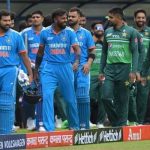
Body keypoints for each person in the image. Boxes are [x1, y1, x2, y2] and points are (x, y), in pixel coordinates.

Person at [34, 8, 80, 131]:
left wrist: (76, 61)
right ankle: (49, 128)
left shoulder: (70, 32)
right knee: (47, 96)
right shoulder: (45, 33)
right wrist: (36, 69)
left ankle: (74, 126)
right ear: (55, 19)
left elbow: (77, 50)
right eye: (63, 18)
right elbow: (40, 52)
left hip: (65, 66)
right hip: (49, 67)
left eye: (66, 18)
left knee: (70, 99)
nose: (66, 20)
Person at [99, 8, 138, 126]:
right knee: (105, 97)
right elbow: (104, 52)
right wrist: (101, 70)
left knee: (123, 98)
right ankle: (116, 121)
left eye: (111, 17)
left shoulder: (131, 31)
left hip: (125, 69)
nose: (109, 20)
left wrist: (134, 71)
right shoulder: (108, 32)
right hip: (110, 69)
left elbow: (135, 52)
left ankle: (121, 125)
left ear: (119, 18)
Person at [0, 10, 33, 134]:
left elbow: (24, 56)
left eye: (9, 20)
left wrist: (30, 73)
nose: (8, 23)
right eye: (5, 20)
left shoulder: (16, 35)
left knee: (6, 101)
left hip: (10, 70)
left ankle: (6, 131)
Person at [68, 7, 95, 129]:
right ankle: (73, 125)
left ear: (79, 18)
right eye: (69, 16)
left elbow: (92, 51)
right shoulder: (64, 32)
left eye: (73, 16)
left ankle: (84, 125)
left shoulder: (86, 33)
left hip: (82, 68)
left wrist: (88, 63)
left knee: (83, 96)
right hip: (67, 69)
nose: (70, 18)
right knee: (70, 98)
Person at [21, 10, 45, 131]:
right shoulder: (24, 33)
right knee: (29, 96)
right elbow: (22, 52)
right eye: (33, 17)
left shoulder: (47, 32)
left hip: (45, 69)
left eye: (37, 17)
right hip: (29, 70)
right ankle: (30, 119)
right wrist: (28, 67)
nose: (35, 19)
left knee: (42, 96)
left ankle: (40, 122)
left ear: (42, 19)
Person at [134, 9, 150, 125]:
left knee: (143, 97)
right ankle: (132, 120)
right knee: (130, 96)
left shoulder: (149, 32)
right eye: (138, 17)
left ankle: (140, 121)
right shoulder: (130, 32)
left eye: (143, 18)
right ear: (134, 19)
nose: (141, 20)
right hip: (132, 68)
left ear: (146, 19)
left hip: (146, 70)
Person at [90, 21, 106, 128]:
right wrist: (93, 42)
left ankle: (101, 122)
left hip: (103, 74)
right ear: (93, 30)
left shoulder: (106, 42)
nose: (99, 30)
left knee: (103, 99)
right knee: (89, 98)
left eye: (101, 29)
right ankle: (89, 120)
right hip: (90, 74)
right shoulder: (89, 41)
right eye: (97, 28)